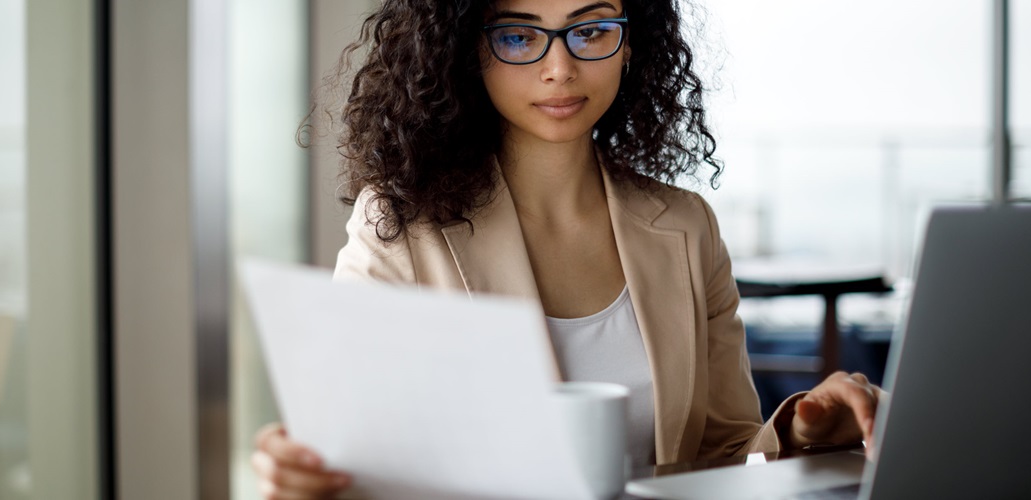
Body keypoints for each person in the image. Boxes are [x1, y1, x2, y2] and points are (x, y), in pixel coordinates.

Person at [251, 0, 884, 498]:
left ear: (630, 39)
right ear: (470, 48)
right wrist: (307, 479)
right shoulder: (398, 228)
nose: (561, 68)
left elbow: (720, 455)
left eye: (591, 29)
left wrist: (798, 430)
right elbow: (363, 465)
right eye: (520, 36)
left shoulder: (687, 227)